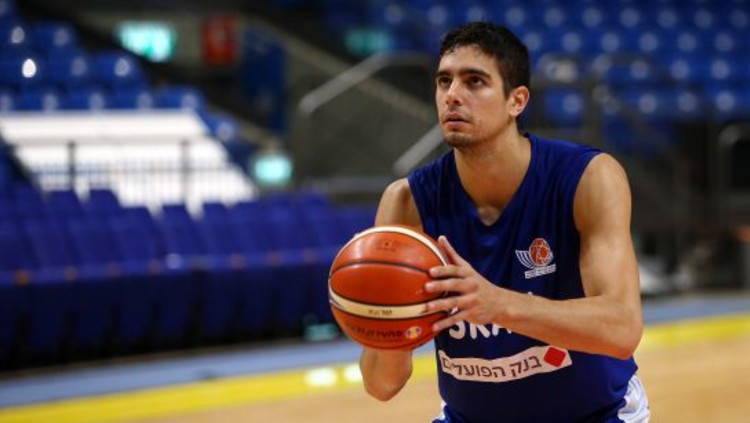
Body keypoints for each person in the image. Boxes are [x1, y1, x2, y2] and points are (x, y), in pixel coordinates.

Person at [358, 22, 650, 423]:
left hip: (597, 414)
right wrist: (381, 323)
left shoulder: (588, 178)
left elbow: (622, 330)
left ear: (517, 101)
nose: (452, 95)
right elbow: (382, 386)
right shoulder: (407, 203)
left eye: (474, 81)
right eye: (444, 81)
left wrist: (497, 305)